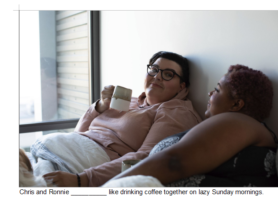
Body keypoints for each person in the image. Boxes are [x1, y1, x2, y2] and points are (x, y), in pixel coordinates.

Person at [41, 51, 202, 187]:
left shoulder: (176, 111)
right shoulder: (128, 100)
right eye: (154, 70)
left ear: (182, 86)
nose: (157, 77)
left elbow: (147, 158)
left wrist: (82, 180)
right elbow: (79, 133)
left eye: (168, 74)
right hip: (66, 149)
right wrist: (101, 105)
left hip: (93, 164)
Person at [108, 64, 278, 187]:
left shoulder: (239, 121)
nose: (209, 93)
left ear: (236, 105)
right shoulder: (238, 127)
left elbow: (174, 162)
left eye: (217, 90)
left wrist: (108, 191)